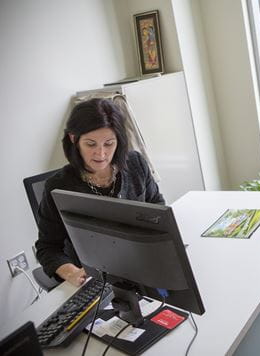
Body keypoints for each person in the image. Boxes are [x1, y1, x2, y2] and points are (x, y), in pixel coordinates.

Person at [36, 98, 165, 287]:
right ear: (74, 139)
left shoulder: (136, 163)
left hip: (142, 265)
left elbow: (158, 207)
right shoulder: (59, 186)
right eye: (91, 144)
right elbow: (47, 248)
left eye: (109, 143)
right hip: (96, 278)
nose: (101, 154)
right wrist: (72, 272)